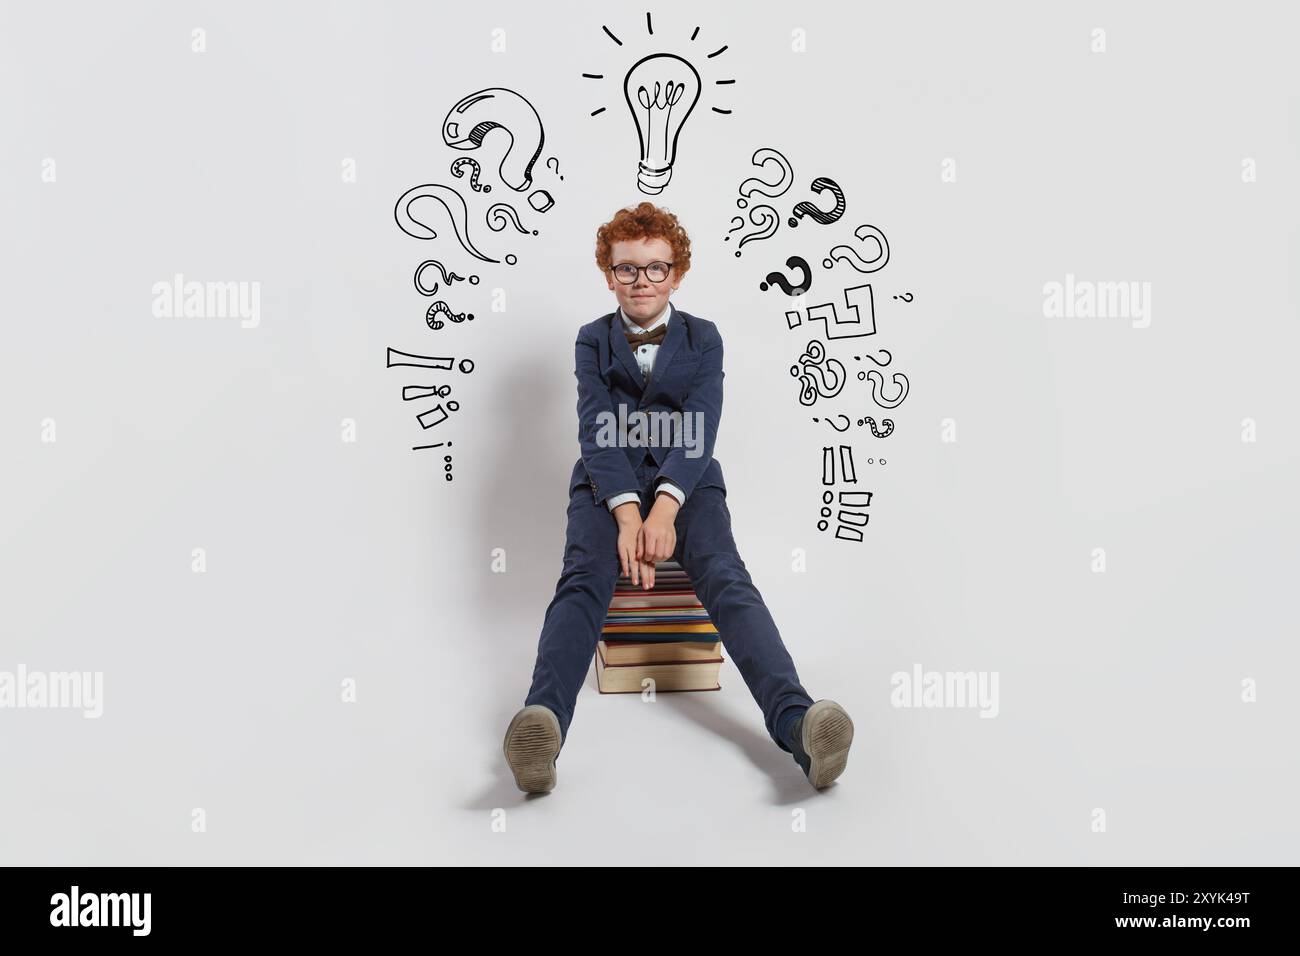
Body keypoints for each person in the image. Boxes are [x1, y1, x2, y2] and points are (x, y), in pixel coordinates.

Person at [503, 202, 854, 793]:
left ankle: (799, 724)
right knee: (584, 577)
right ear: (608, 273)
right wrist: (626, 514)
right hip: (602, 485)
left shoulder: (704, 338)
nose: (642, 281)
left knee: (725, 575)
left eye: (656, 268)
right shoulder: (592, 340)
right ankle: (542, 727)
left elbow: (700, 423)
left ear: (678, 273)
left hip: (687, 483)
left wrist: (664, 509)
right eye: (627, 269)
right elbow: (597, 429)